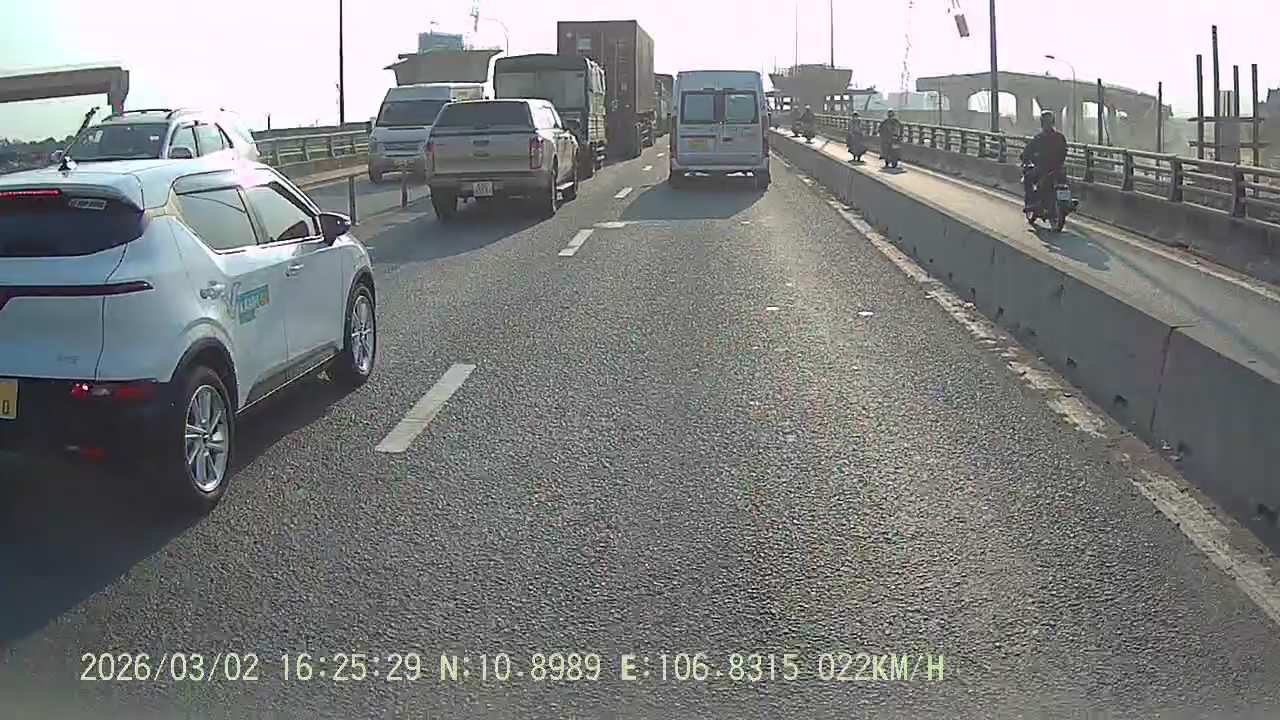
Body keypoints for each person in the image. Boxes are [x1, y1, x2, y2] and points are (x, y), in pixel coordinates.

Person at [1022, 110, 1069, 211]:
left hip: (1043, 168)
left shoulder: (1039, 138)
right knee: (1063, 182)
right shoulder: (1060, 137)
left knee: (1028, 178)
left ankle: (1031, 202)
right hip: (1059, 168)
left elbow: (1027, 151)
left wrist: (1025, 159)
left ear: (1042, 123)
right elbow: (1064, 151)